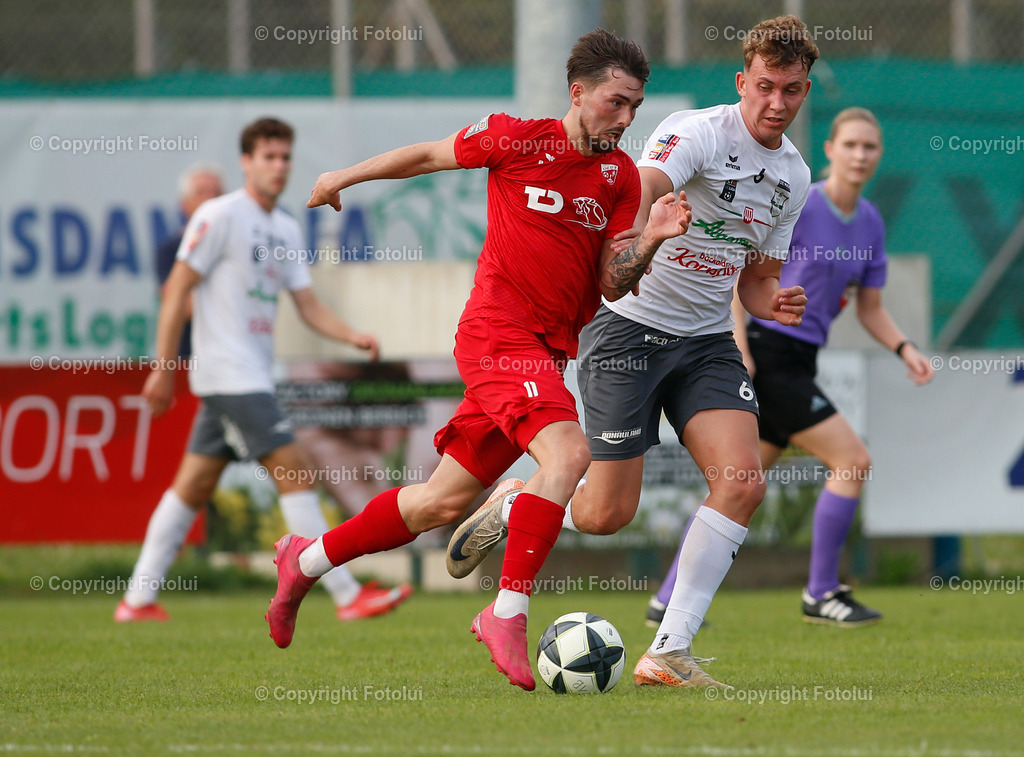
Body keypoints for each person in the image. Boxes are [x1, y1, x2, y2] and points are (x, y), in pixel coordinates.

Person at [264, 28, 690, 692]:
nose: (626, 118)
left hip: (546, 354)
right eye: (616, 102)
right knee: (569, 455)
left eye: (635, 105)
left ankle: (305, 559)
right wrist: (342, 176)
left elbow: (613, 282)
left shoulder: (619, 180)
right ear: (578, 93)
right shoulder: (515, 139)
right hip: (497, 336)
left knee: (437, 503)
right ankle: (506, 613)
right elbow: (426, 156)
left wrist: (654, 238)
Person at [446, 15, 818, 689]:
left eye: (791, 90)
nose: (776, 103)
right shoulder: (696, 133)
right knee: (604, 515)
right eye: (765, 86)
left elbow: (757, 282)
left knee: (742, 482)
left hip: (706, 342)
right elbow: (631, 195)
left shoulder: (794, 174)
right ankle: (517, 500)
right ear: (743, 81)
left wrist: (774, 303)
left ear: (804, 91)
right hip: (626, 331)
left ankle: (669, 651)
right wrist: (647, 234)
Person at [116, 117, 412, 624]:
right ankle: (345, 594)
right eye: (268, 157)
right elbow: (177, 290)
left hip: (248, 374)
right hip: (229, 375)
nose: (279, 167)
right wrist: (162, 368)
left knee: (192, 486)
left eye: (285, 157)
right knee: (296, 471)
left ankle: (137, 600)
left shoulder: (286, 227)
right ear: (246, 162)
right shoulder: (219, 215)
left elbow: (306, 304)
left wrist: (350, 336)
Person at [649, 107, 934, 628]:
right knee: (853, 461)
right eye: (850, 144)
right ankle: (821, 592)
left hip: (801, 359)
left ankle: (667, 600)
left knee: (735, 485)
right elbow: (743, 267)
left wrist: (904, 348)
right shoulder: (803, 201)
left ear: (878, 156)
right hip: (771, 354)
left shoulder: (870, 221)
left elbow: (870, 306)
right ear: (829, 150)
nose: (859, 155)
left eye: (869, 147)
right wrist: (740, 346)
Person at [155, 164, 225, 359]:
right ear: (184, 204)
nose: (210, 199)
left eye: (216, 192)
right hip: (188, 356)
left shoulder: (237, 244)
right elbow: (177, 304)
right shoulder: (170, 250)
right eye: (201, 192)